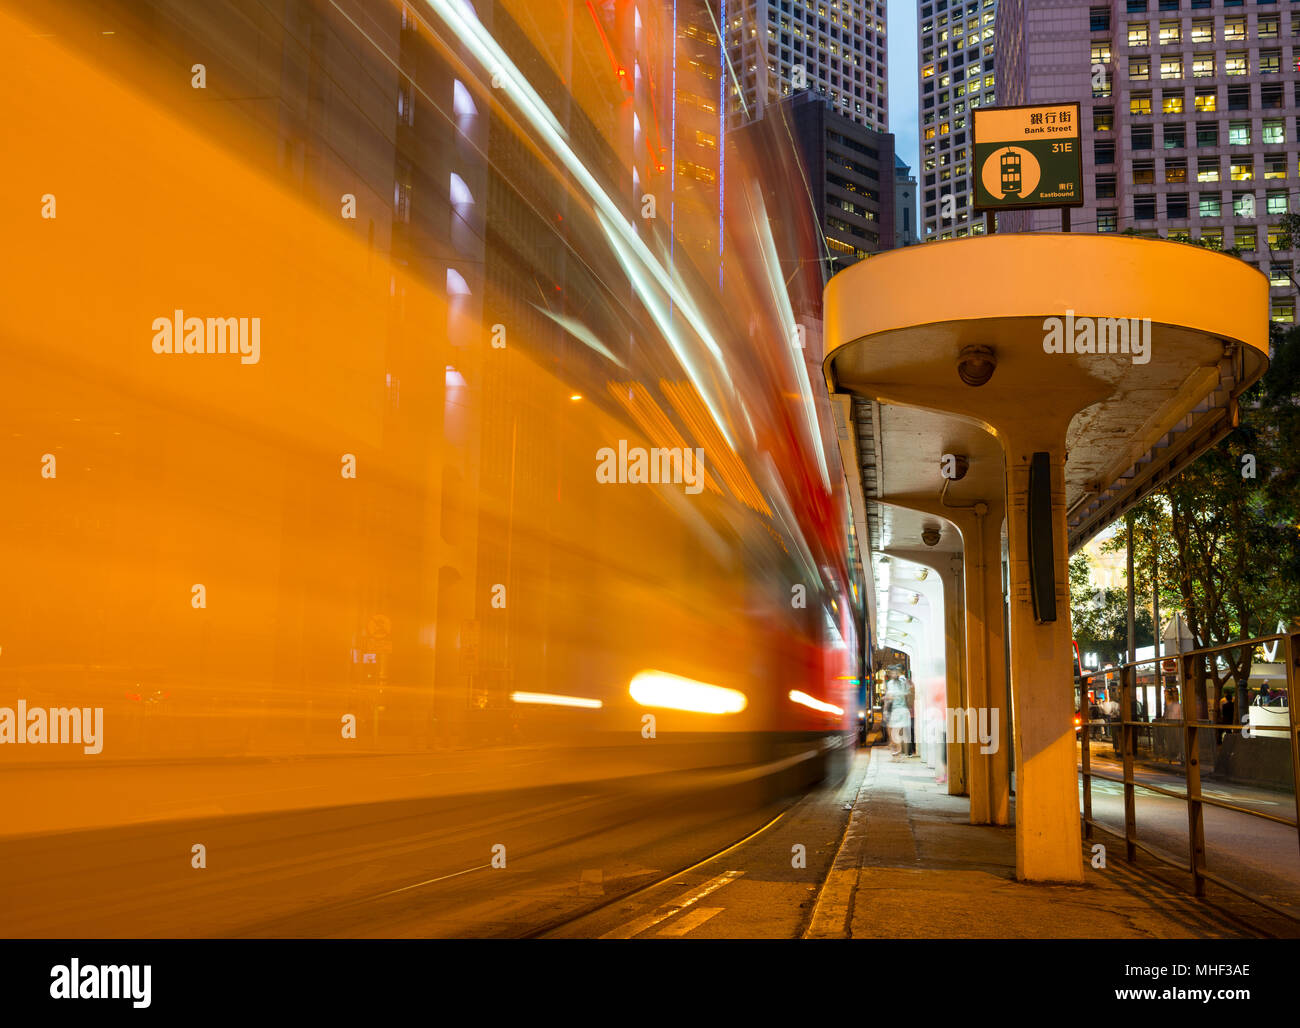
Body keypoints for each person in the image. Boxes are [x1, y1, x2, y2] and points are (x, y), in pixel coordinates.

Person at [885, 675, 911, 761]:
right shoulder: (902, 688)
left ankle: (899, 753)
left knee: (896, 733)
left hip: (896, 712)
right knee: (897, 733)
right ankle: (899, 753)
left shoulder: (896, 689)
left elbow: (889, 699)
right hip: (897, 712)